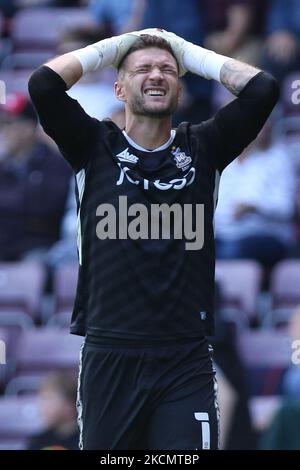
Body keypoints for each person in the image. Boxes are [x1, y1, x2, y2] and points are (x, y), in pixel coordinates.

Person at [28, 28, 279, 450]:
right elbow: (43, 84)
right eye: (142, 69)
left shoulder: (204, 147)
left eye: (167, 69)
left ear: (180, 85)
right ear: (119, 88)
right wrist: (116, 47)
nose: (156, 75)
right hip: (110, 352)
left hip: (185, 356)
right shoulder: (92, 145)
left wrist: (186, 51)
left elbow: (262, 90)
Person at [27, 372, 79, 450]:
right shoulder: (38, 441)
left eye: (49, 399)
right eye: (42, 400)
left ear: (70, 406)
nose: (43, 406)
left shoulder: (86, 441)